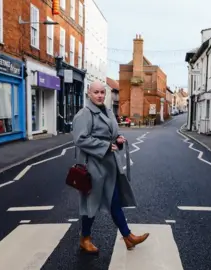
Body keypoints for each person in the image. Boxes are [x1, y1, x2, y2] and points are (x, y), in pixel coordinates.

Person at [71, 80, 149, 254]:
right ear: (89, 94)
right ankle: (85, 238)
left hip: (109, 166)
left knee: (114, 202)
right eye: (96, 92)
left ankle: (128, 237)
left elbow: (112, 134)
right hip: (92, 168)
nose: (99, 95)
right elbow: (80, 139)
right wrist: (105, 146)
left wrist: (118, 140)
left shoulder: (107, 111)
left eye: (102, 92)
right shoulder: (84, 114)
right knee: (91, 205)